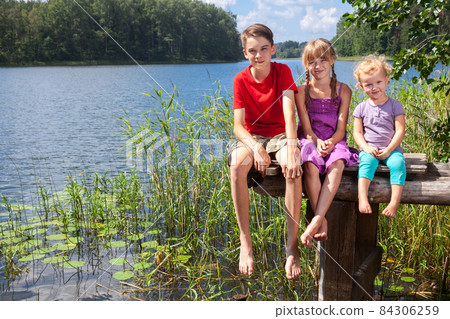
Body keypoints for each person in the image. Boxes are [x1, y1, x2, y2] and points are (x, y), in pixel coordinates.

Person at [228, 24, 303, 280]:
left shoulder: (282, 71)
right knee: (237, 165)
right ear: (245, 53)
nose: (258, 55)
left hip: (282, 135)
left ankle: (292, 246)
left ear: (273, 49)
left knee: (293, 170)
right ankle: (246, 242)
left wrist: (292, 146)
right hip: (253, 137)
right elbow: (238, 126)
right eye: (252, 51)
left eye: (263, 49)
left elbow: (289, 110)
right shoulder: (240, 79)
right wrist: (255, 147)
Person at [295, 38, 358, 248]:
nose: (317, 66)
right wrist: (317, 141)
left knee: (337, 163)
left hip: (335, 139)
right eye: (312, 61)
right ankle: (322, 222)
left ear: (332, 60)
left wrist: (330, 142)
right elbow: (307, 128)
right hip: (311, 137)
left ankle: (316, 219)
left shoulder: (343, 90)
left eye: (322, 60)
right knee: (311, 166)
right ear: (306, 65)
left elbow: (341, 129)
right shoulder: (301, 91)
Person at [353, 55, 406, 218]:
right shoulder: (361, 108)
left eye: (378, 82)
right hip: (370, 149)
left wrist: (390, 150)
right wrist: (366, 148)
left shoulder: (395, 105)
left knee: (398, 164)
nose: (374, 87)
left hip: (392, 149)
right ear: (362, 86)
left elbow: (400, 130)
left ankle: (394, 202)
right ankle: (362, 197)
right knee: (366, 163)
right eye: (368, 84)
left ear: (386, 81)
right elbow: (357, 133)